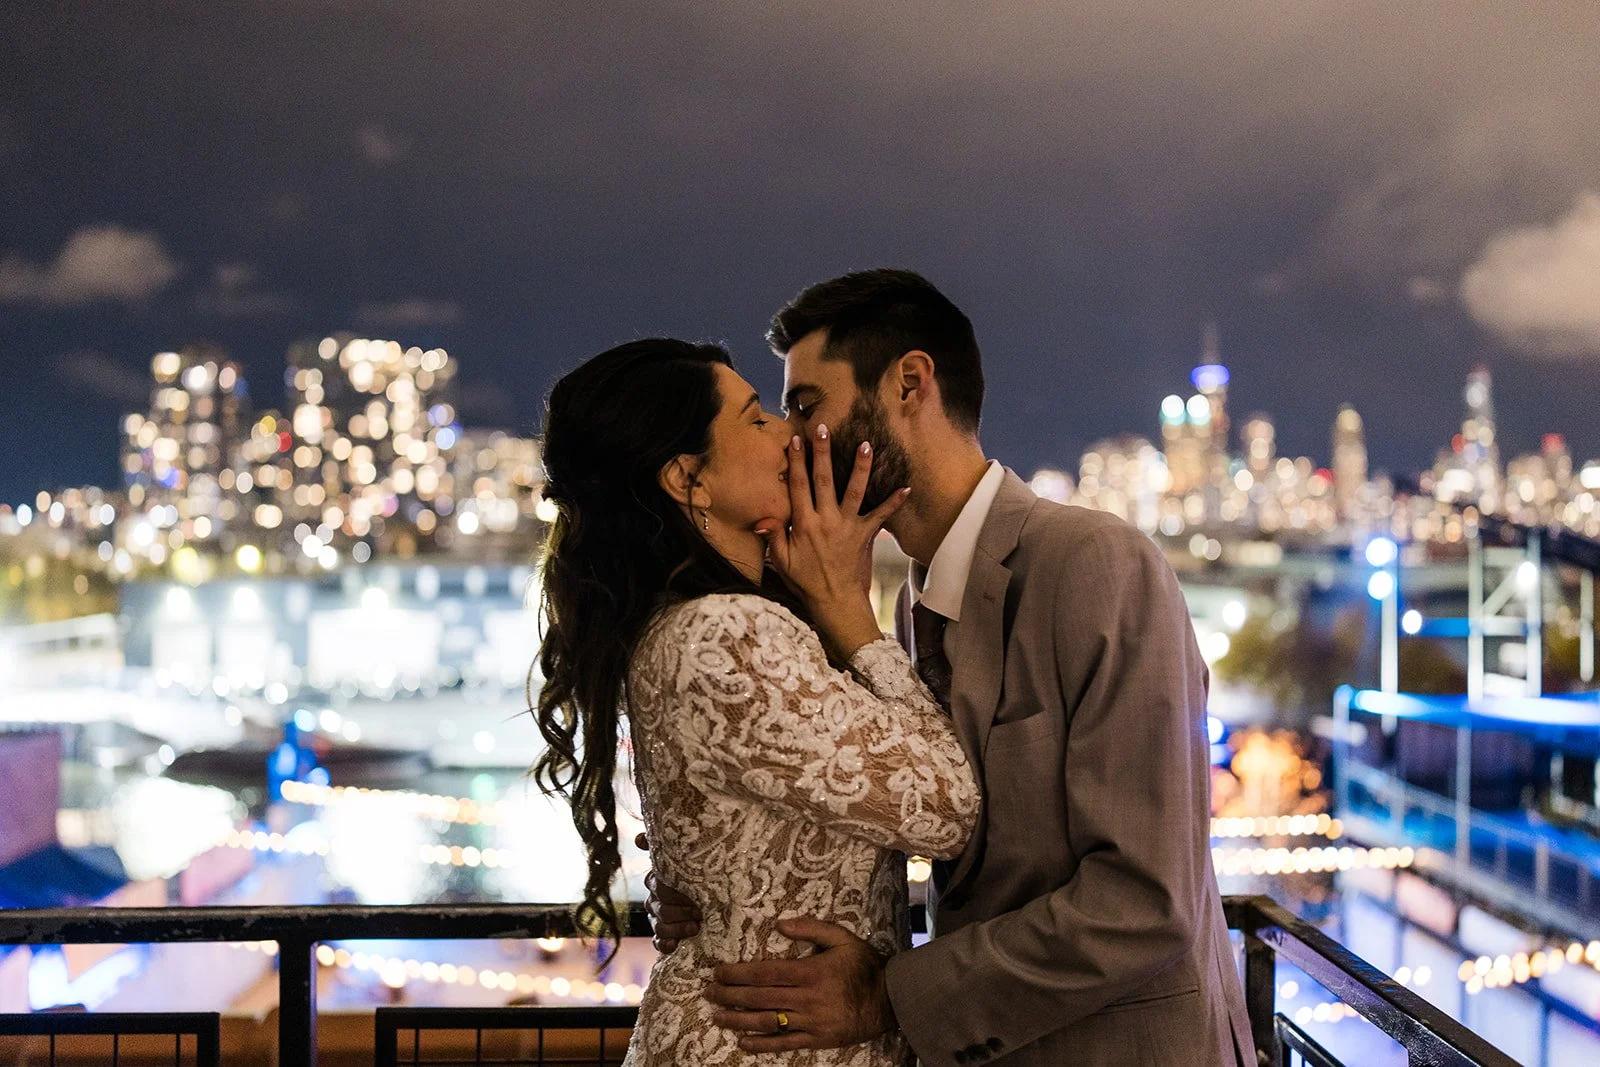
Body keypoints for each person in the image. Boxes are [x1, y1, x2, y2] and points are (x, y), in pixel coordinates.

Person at [646, 270, 1255, 1066]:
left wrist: (890, 995)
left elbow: (1144, 900)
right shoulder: (904, 609)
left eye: (805, 406)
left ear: (909, 383)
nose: (794, 442)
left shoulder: (1093, 563)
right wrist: (727, 881)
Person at [532, 337, 981, 1066]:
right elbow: (948, 803)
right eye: (756, 419)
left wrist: (702, 888)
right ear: (688, 479)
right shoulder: (730, 632)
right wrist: (853, 616)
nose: (791, 433)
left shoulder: (699, 621)